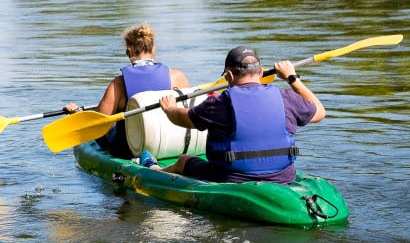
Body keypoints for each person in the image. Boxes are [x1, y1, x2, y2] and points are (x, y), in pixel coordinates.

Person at [158, 45, 325, 184]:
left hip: (230, 178)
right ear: (260, 72)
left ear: (229, 75)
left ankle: (155, 170)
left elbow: (183, 118)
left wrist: (169, 108)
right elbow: (319, 112)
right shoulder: (286, 98)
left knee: (184, 160)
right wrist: (292, 78)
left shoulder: (218, 104)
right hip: (282, 177)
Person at [64, 23, 191, 158]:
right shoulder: (177, 77)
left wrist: (77, 114)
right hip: (169, 144)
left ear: (129, 52)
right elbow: (190, 115)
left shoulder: (119, 84)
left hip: (129, 150)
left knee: (109, 125)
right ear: (153, 49)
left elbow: (97, 128)